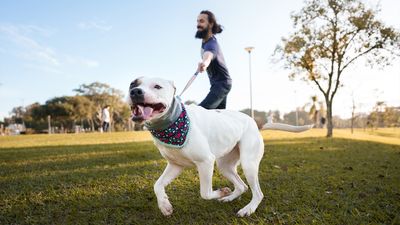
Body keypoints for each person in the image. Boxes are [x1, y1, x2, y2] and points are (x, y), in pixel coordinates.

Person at [195, 10, 232, 109]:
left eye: (201, 21)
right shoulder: (205, 42)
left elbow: (209, 54)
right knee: (218, 116)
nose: (198, 24)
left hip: (222, 84)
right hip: (217, 85)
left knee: (201, 112)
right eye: (197, 21)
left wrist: (205, 63)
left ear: (210, 24)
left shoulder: (212, 43)